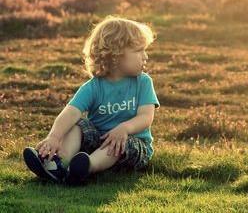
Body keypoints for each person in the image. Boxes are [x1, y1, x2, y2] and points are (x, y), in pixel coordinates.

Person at [23, 16, 160, 186]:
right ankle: (58, 164)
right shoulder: (94, 86)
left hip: (132, 144)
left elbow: (146, 117)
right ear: (117, 54)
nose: (145, 56)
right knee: (78, 125)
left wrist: (124, 128)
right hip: (98, 141)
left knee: (118, 144)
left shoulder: (143, 82)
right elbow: (71, 112)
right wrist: (54, 137)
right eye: (139, 50)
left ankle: (85, 168)